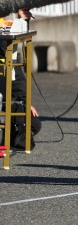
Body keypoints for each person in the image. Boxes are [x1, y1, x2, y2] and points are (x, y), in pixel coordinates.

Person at [0, 9, 41, 151]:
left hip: (11, 93)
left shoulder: (7, 29)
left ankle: (8, 136)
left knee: (34, 123)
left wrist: (26, 103)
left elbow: (18, 82)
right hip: (6, 93)